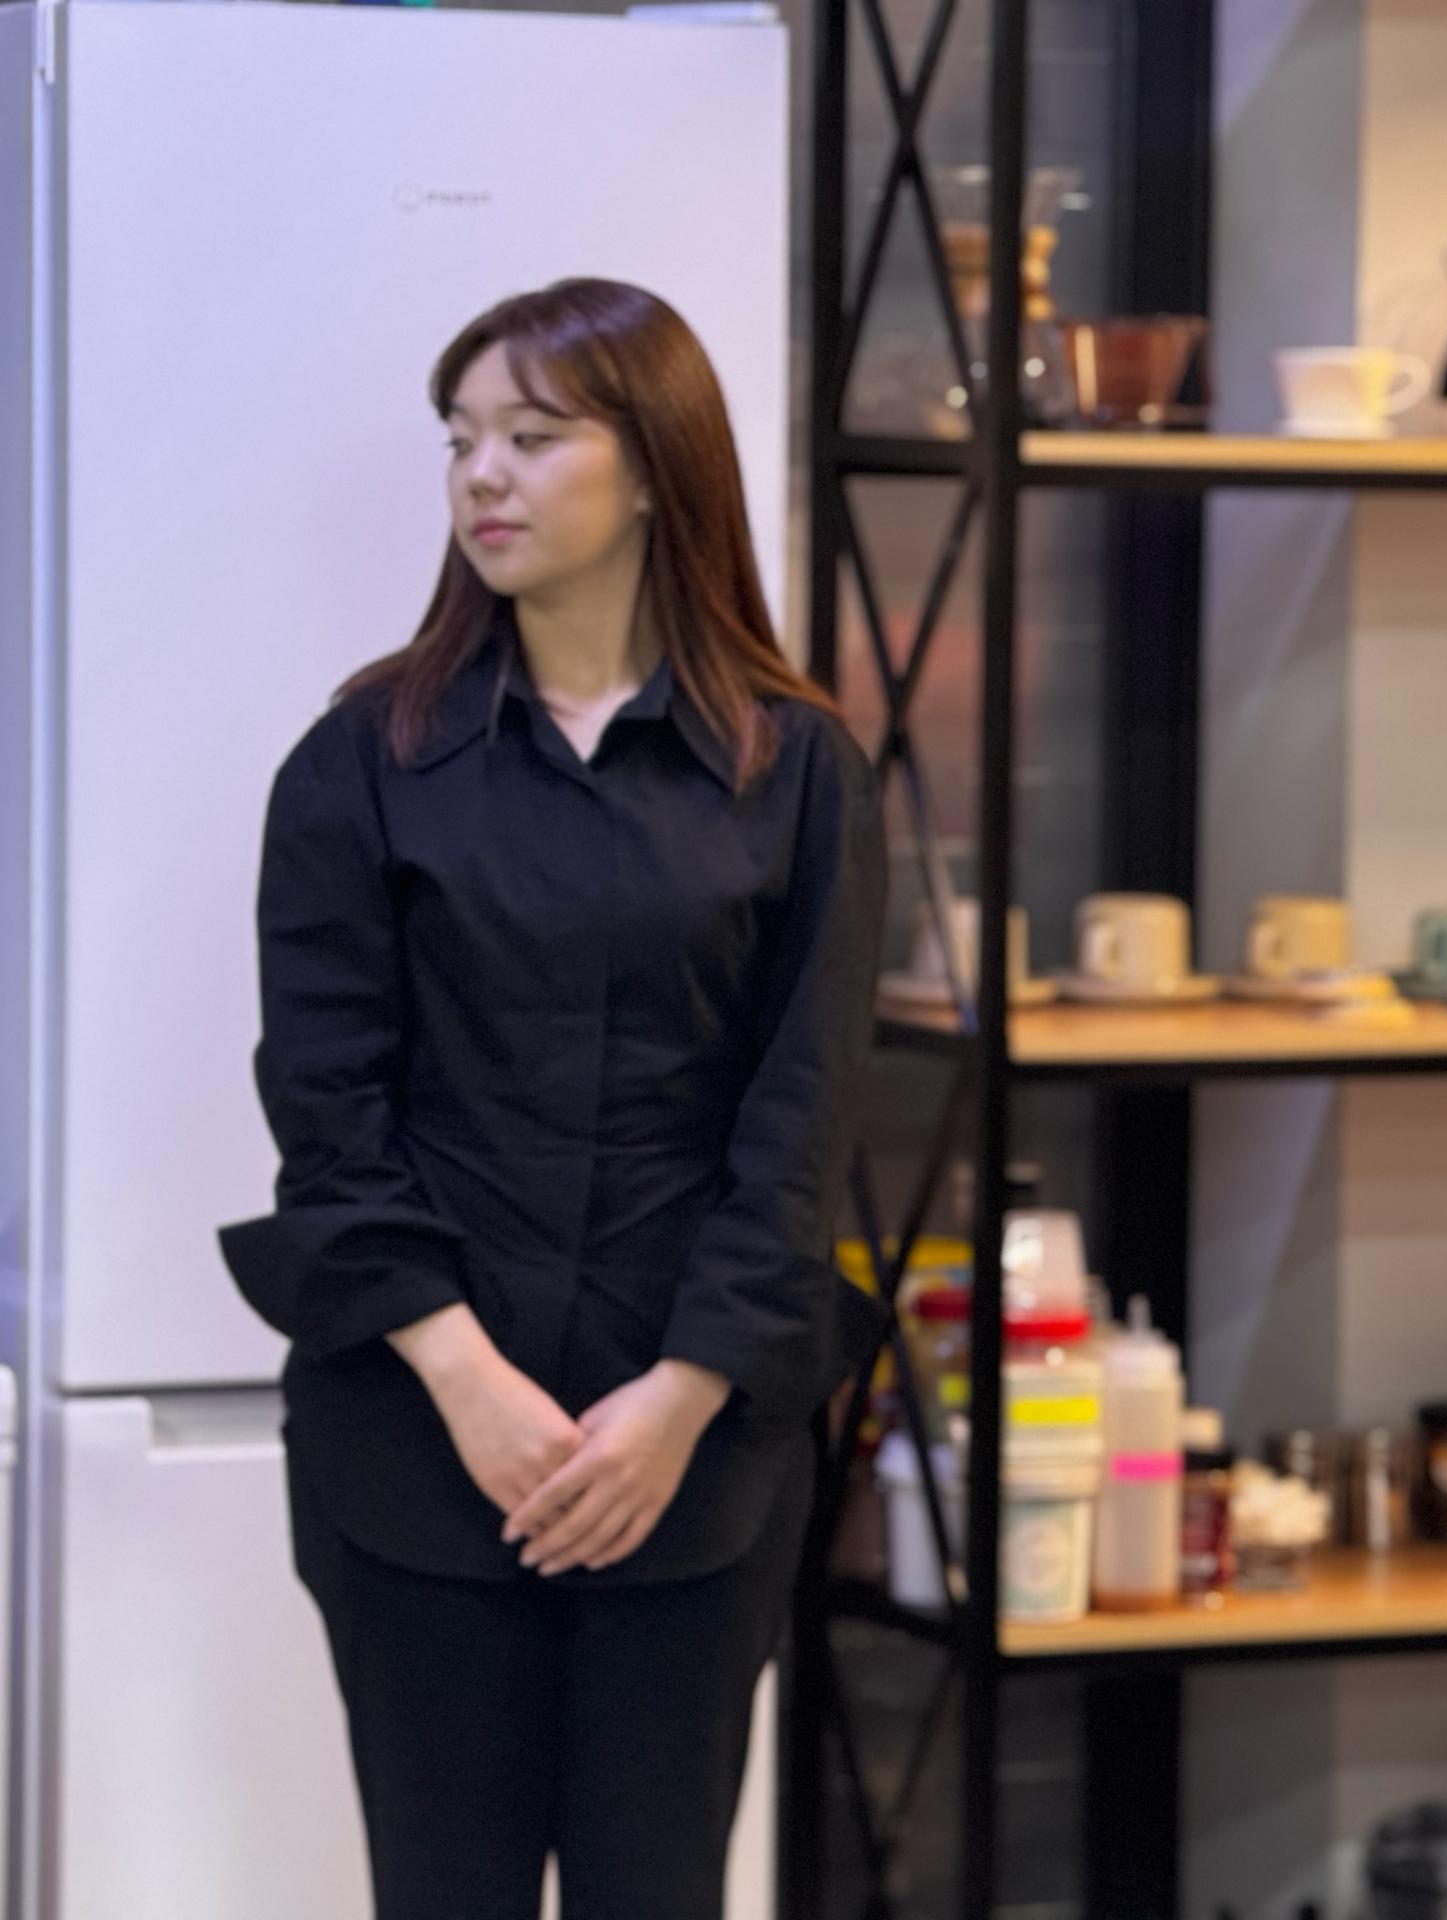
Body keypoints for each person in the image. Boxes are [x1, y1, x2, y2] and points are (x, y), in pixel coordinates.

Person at [218, 278, 887, 1919]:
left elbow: (802, 1117)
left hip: (697, 1454)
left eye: (531, 436)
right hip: (417, 1443)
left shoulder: (796, 768)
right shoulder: (361, 761)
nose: (483, 478)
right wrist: (468, 1385)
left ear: (656, 466)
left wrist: (679, 1398)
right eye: (461, 441)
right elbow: (327, 1109)